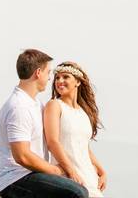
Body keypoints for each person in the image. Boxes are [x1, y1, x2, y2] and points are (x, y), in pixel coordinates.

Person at [0, 49, 89, 198]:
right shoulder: (19, 106)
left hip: (32, 175)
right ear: (38, 73)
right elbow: (22, 156)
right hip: (15, 179)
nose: (50, 78)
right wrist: (55, 170)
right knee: (77, 192)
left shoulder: (36, 104)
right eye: (48, 73)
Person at [43, 61, 107, 197]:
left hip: (89, 176)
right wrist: (71, 173)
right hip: (69, 176)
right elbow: (52, 142)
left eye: (65, 77)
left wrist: (102, 171)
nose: (60, 81)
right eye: (57, 78)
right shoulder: (54, 105)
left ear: (77, 82)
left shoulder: (83, 112)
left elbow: (84, 147)